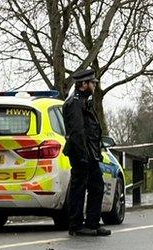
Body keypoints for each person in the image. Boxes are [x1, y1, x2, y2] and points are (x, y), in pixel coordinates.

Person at [62, 68, 111, 237]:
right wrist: (83, 155)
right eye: (92, 83)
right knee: (79, 188)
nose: (94, 85)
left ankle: (92, 223)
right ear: (83, 84)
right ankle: (76, 225)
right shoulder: (75, 103)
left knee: (96, 186)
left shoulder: (84, 101)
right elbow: (77, 132)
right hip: (82, 153)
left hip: (89, 151)